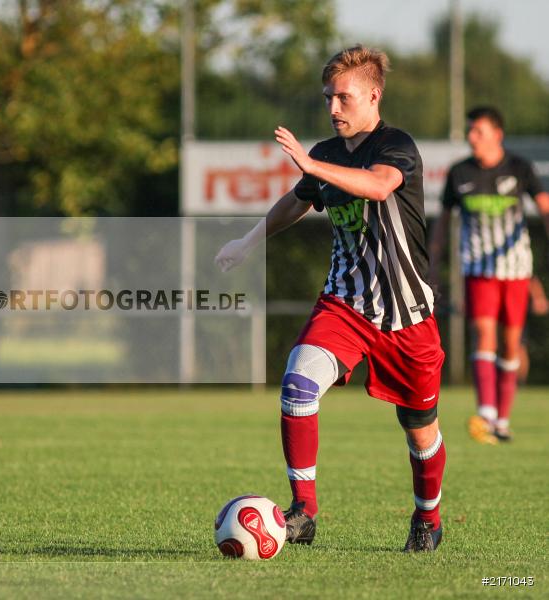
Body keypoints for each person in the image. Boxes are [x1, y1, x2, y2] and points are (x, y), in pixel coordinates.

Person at [215, 45, 446, 552]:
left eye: (344, 97)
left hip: (408, 317)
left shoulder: (396, 145)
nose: (334, 107)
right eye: (328, 98)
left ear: (373, 95)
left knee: (420, 431)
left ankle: (427, 518)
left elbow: (379, 187)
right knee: (298, 385)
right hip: (345, 304)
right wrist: (247, 243)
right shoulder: (324, 155)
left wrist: (314, 168)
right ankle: (303, 512)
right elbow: (295, 203)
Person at [429, 106, 549, 443]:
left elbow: (544, 207)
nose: (472, 138)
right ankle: (486, 413)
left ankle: (503, 419)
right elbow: (443, 223)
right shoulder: (459, 173)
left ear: (498, 134)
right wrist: (433, 264)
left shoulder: (520, 168)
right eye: (470, 131)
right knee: (484, 334)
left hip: (516, 270)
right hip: (478, 269)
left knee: (511, 344)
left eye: (478, 131)